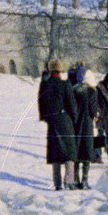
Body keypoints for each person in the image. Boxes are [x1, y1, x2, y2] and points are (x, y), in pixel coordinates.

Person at [37, 59, 77, 190]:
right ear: (60, 71)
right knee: (69, 152)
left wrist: (45, 117)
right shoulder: (65, 84)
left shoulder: (44, 85)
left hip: (52, 121)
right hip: (64, 119)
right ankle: (69, 180)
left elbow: (41, 103)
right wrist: (73, 117)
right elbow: (71, 104)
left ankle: (57, 183)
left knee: (55, 153)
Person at [70, 68, 99, 188]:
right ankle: (85, 180)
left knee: (76, 150)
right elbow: (93, 110)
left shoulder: (73, 90)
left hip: (75, 124)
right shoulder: (92, 91)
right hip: (87, 124)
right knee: (87, 150)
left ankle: (75, 180)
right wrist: (95, 115)